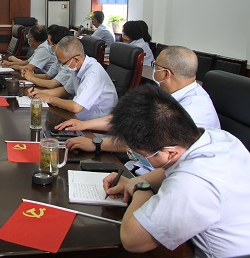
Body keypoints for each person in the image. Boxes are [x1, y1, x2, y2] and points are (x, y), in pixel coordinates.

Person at [102, 85, 250, 257]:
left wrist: (141, 188)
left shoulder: (193, 184)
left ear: (170, 152)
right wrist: (133, 181)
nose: (136, 156)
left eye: (139, 154)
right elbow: (174, 167)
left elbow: (132, 240)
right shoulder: (215, 137)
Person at [55, 46, 220, 158]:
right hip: (147, 162)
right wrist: (84, 124)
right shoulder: (169, 93)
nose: (153, 69)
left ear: (166, 74)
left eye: (155, 66)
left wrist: (95, 144)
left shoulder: (194, 109)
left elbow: (145, 141)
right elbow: (131, 119)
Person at [31, 36, 117, 120]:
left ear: (76, 59)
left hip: (97, 121)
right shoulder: (77, 67)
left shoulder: (93, 73)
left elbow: (76, 107)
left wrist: (50, 99)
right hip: (81, 116)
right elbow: (65, 91)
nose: (61, 66)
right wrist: (40, 92)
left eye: (62, 63)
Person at [21, 25, 71, 90]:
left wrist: (31, 78)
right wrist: (28, 74)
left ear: (56, 46)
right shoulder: (59, 59)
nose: (46, 44)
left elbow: (52, 84)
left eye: (48, 42)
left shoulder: (71, 63)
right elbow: (47, 76)